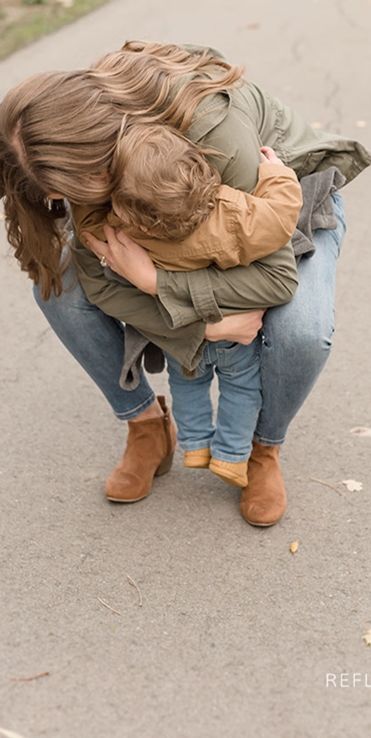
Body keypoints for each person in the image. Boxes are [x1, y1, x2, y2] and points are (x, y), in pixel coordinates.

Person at [0, 41, 371, 526]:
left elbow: (269, 274)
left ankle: (262, 448)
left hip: (273, 212)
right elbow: (101, 282)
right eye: (57, 197)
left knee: (303, 331)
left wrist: (154, 283)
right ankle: (147, 427)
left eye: (68, 193)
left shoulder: (210, 127)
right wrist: (202, 328)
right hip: (163, 222)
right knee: (58, 287)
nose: (63, 204)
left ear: (97, 153)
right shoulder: (84, 160)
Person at [72, 121, 304, 488]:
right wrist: (278, 177)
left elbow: (94, 250)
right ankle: (231, 455)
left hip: (179, 329)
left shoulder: (127, 234)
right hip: (236, 328)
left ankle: (195, 444)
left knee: (187, 383)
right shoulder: (230, 217)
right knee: (242, 388)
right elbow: (279, 218)